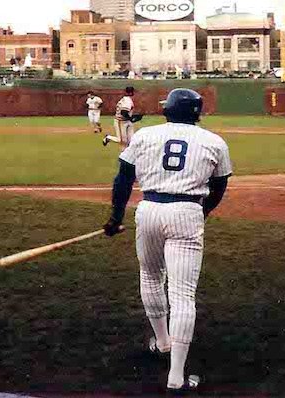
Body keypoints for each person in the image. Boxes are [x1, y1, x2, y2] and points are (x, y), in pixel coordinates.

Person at [103, 89, 232, 394]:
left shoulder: (145, 135)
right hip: (187, 211)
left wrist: (115, 218)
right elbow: (220, 184)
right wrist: (204, 211)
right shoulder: (214, 141)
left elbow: (123, 178)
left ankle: (162, 342)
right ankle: (176, 376)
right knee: (183, 294)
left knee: (150, 277)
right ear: (197, 114)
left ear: (168, 110)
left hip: (148, 210)